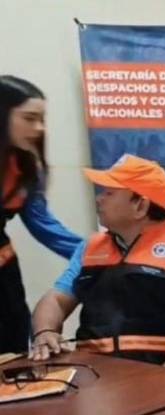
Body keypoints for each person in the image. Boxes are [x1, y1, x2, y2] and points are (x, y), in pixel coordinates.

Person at [30, 154, 165, 374]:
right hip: (94, 379)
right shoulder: (91, 247)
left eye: (109, 193)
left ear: (140, 205)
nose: (99, 199)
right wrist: (44, 332)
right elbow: (56, 299)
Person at [0, 75, 81, 353]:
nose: (39, 128)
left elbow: (43, 224)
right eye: (29, 118)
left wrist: (93, 252)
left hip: (4, 277)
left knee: (12, 352)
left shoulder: (24, 165)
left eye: (42, 119)